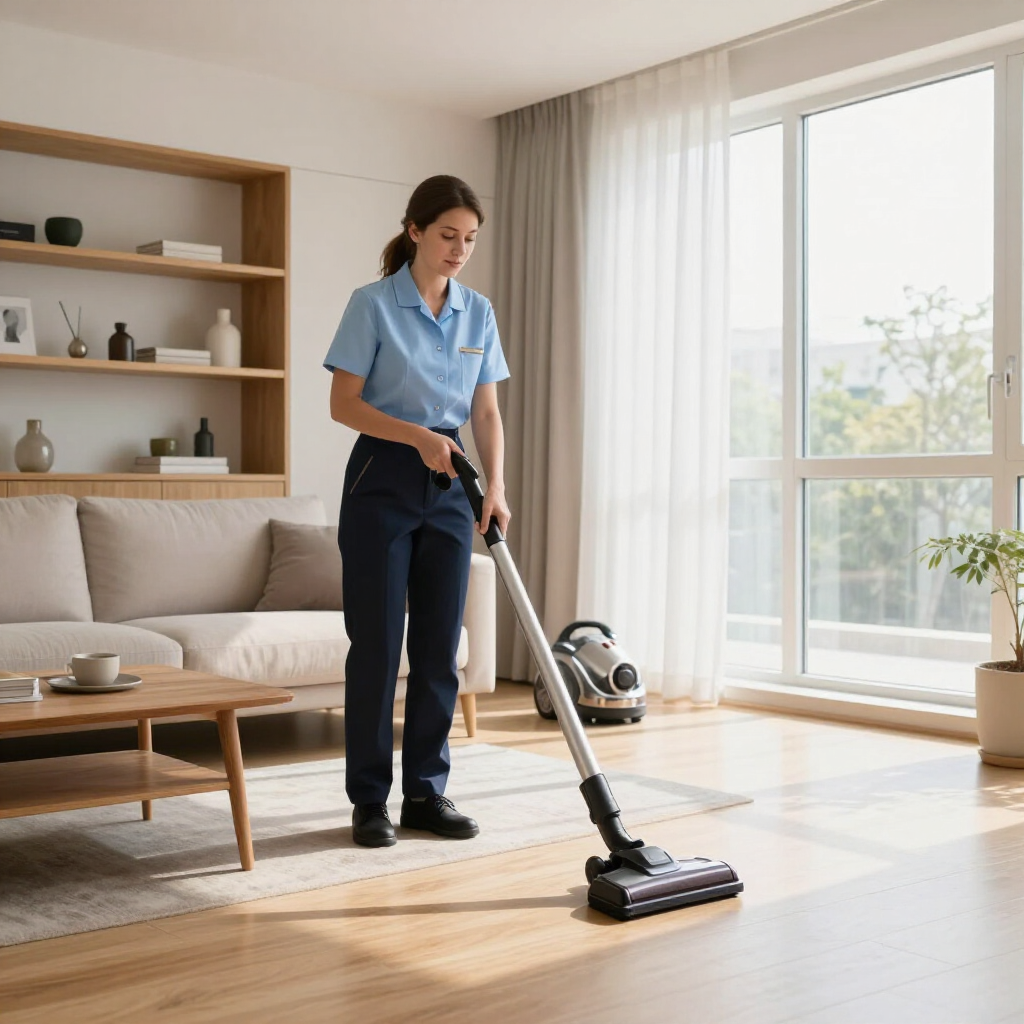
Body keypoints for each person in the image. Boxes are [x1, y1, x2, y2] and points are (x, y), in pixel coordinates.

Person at [324, 175, 511, 848]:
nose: (459, 250)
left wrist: (494, 485)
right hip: (384, 475)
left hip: (453, 482)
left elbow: (485, 409)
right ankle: (369, 801)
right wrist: (417, 437)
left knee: (439, 649)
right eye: (447, 235)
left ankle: (427, 795)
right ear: (414, 231)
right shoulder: (372, 305)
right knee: (377, 647)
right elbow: (344, 405)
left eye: (470, 239)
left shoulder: (477, 312)